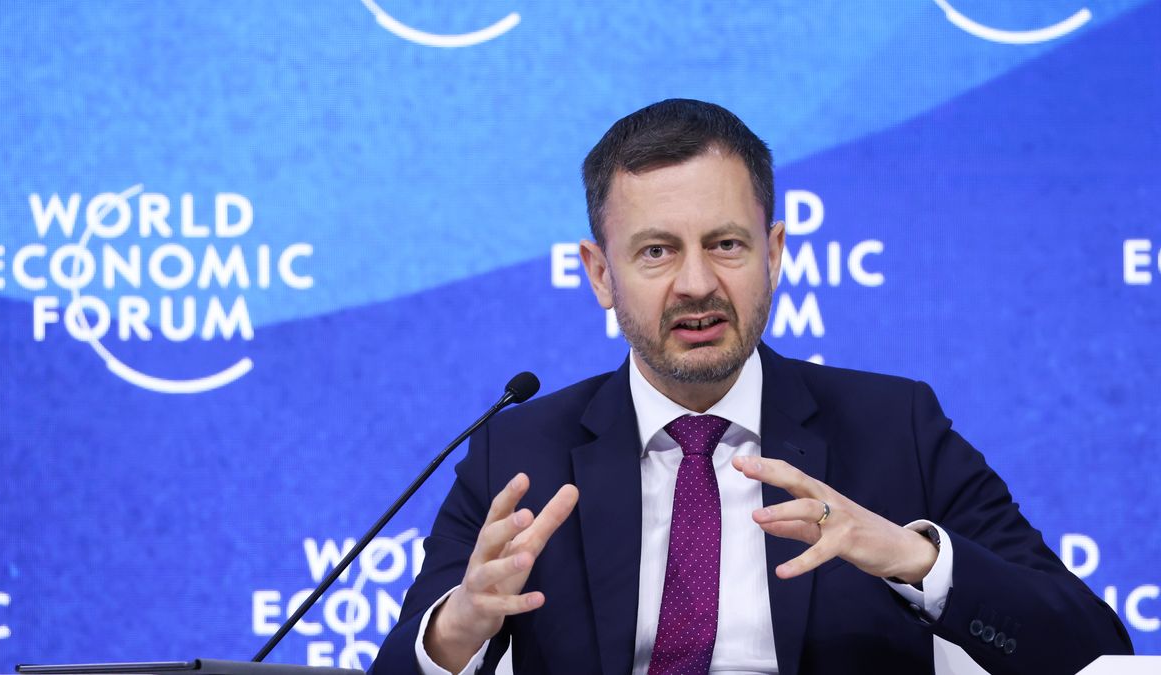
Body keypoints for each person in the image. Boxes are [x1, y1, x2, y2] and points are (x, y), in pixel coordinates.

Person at [371, 99, 1132, 674]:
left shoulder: (894, 426)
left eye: (727, 244)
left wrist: (914, 557)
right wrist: (459, 625)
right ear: (600, 274)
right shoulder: (521, 446)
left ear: (773, 252)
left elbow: (1090, 647)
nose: (697, 284)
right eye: (658, 251)